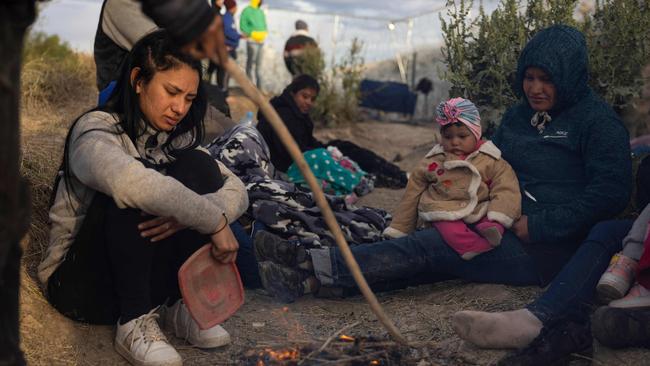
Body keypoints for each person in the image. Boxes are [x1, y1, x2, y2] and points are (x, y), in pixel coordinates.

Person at [254, 24, 633, 364]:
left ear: (568, 77)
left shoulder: (596, 123)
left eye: (546, 79)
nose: (534, 88)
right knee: (427, 258)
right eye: (529, 77)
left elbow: (612, 193)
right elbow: (484, 158)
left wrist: (542, 224)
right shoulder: (520, 116)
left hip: (543, 246)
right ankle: (314, 283)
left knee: (429, 249)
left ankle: (312, 262)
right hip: (485, 219)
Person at [1, 0, 227, 364]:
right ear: (138, 81)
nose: (180, 109)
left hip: (141, 273)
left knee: (199, 168)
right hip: (80, 286)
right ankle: (134, 321)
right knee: (138, 188)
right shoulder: (95, 130)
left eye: (188, 98)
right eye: (171, 93)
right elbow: (131, 182)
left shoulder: (173, 136)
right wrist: (213, 220)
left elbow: (233, 187)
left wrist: (196, 214)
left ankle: (179, 306)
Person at [384, 97, 520, 260]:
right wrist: (400, 227)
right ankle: (471, 247)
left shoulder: (490, 160)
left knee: (491, 215)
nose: (455, 142)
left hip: (478, 206)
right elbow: (411, 195)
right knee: (447, 226)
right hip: (442, 207)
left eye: (462, 136)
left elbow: (506, 187)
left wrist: (500, 214)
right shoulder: (432, 162)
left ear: (476, 133)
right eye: (448, 137)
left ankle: (492, 228)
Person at [256, 74, 323, 173]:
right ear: (293, 93)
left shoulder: (300, 117)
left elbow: (306, 141)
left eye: (312, 99)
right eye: (305, 96)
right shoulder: (282, 114)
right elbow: (288, 152)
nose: (309, 102)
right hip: (272, 168)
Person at [240, 0, 267, 88]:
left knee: (259, 66)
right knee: (250, 64)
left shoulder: (260, 11)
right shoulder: (247, 10)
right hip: (252, 41)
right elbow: (242, 25)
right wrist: (251, 33)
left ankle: (259, 88)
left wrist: (264, 33)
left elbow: (264, 25)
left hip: (261, 42)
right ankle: (250, 87)